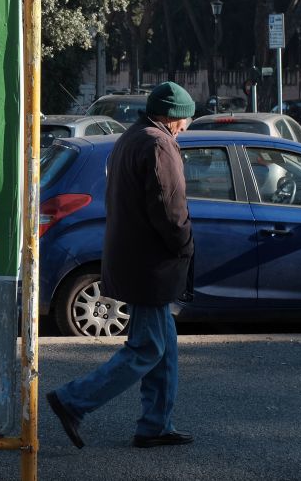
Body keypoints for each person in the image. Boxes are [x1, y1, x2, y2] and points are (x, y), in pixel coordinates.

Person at [46, 81, 196, 449]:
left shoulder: (131, 136)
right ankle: (73, 401)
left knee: (164, 346)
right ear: (173, 117)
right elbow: (169, 208)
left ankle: (155, 424)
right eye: (187, 118)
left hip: (134, 258)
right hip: (150, 265)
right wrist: (185, 245)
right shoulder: (159, 143)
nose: (188, 125)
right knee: (147, 347)